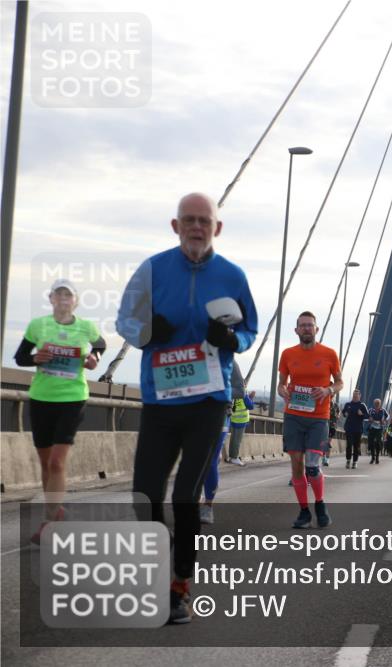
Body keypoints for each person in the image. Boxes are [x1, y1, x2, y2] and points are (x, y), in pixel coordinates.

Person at [116, 192, 258, 624]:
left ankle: (178, 588)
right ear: (175, 226)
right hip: (160, 400)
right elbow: (124, 319)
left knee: (184, 497)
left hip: (208, 403)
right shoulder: (153, 269)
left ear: (217, 228)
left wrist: (234, 342)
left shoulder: (232, 275)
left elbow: (250, 328)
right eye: (188, 220)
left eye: (204, 220)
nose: (196, 227)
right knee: (145, 495)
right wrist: (145, 331)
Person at [15, 278, 106, 543]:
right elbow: (20, 357)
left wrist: (94, 360)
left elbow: (99, 346)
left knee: (56, 461)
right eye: (59, 295)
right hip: (42, 398)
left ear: (75, 301)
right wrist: (35, 358)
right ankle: (56, 510)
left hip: (72, 398)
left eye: (69, 296)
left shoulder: (85, 327)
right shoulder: (38, 326)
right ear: (51, 299)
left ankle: (48, 522)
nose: (64, 299)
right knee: (45, 463)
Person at [277, 311, 343, 529]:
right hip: (294, 415)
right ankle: (304, 512)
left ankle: (320, 504)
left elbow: (340, 382)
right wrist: (282, 390)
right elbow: (281, 383)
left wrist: (328, 390)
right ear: (296, 330)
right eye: (302, 325)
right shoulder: (287, 354)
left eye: (310, 325)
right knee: (297, 465)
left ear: (317, 329)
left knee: (312, 466)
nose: (306, 328)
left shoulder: (329, 354)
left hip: (318, 418)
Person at [226, 360, 253, 465]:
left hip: (233, 419)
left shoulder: (233, 393)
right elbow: (250, 406)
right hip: (241, 421)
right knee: (237, 440)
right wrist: (250, 397)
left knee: (233, 439)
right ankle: (234, 457)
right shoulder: (243, 395)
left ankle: (231, 456)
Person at [342, 390, 368, 469]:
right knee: (349, 445)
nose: (355, 397)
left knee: (356, 446)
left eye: (356, 395)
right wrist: (345, 414)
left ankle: (355, 461)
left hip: (358, 429)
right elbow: (343, 412)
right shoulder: (348, 404)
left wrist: (362, 414)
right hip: (349, 428)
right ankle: (348, 460)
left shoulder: (362, 405)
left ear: (360, 396)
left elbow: (367, 416)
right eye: (354, 395)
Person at [367, 398, 388, 464]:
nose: (377, 404)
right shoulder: (370, 410)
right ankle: (373, 457)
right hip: (372, 428)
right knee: (371, 443)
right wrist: (369, 418)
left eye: (378, 403)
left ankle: (377, 457)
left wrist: (384, 420)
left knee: (378, 443)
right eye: (376, 403)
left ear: (380, 404)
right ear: (374, 404)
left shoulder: (383, 410)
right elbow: (366, 416)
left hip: (379, 428)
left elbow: (388, 416)